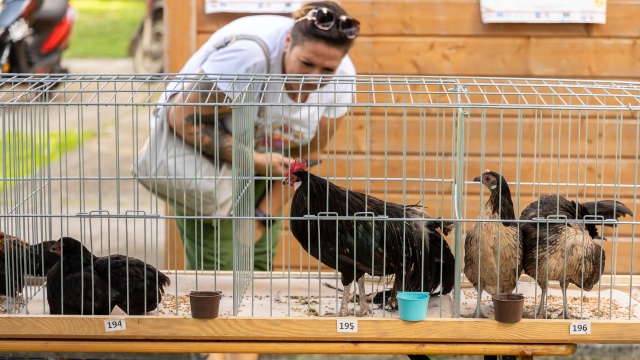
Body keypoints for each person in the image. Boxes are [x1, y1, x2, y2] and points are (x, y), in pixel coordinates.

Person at [161, 1, 359, 273]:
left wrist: (263, 215)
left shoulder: (343, 78)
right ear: (289, 40)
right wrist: (254, 160)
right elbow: (180, 118)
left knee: (259, 261)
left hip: (272, 163)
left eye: (327, 70)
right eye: (306, 63)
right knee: (216, 264)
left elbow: (308, 154)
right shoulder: (247, 55)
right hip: (203, 155)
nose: (313, 79)